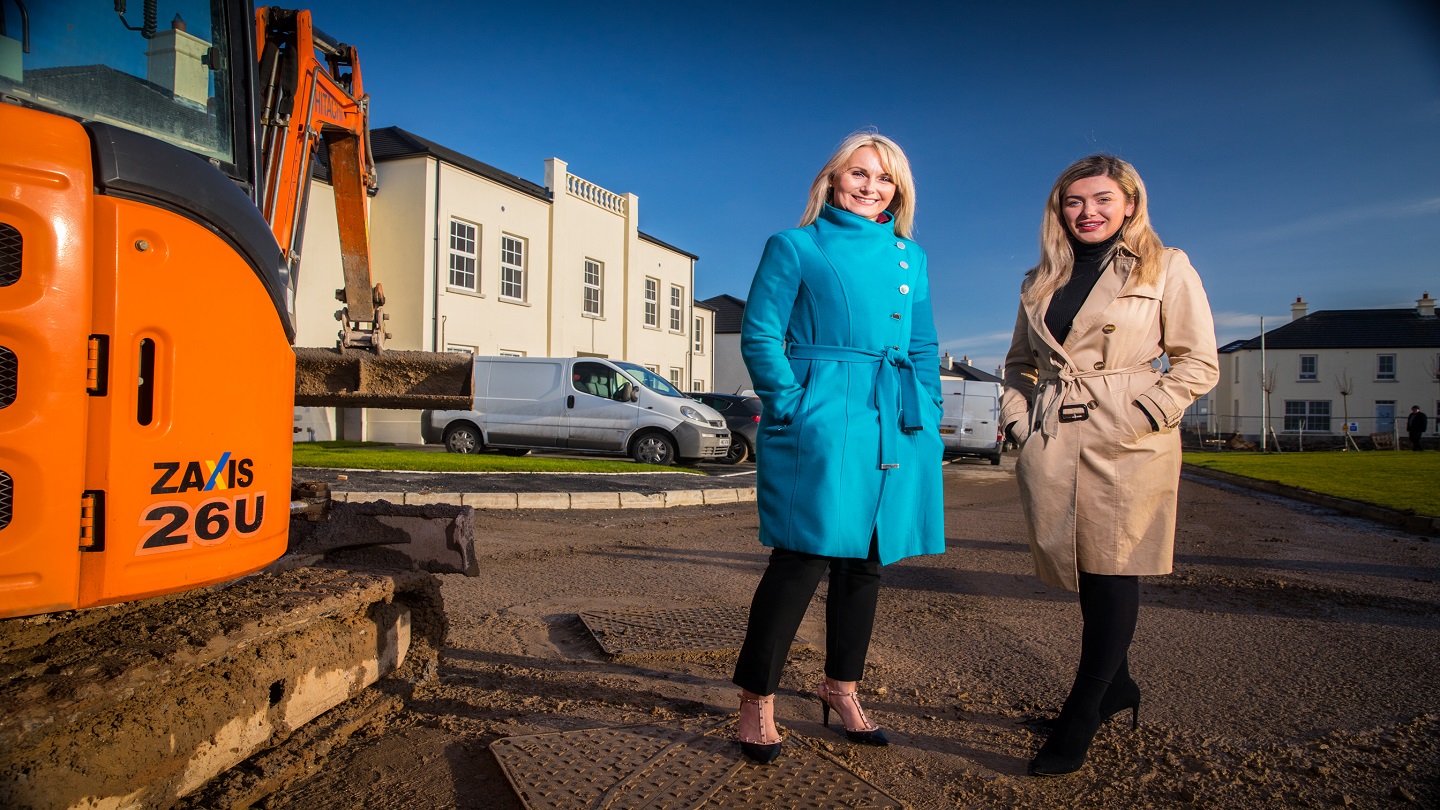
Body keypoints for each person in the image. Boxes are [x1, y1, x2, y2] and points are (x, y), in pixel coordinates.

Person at [1000, 154, 1218, 776]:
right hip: (1054, 433)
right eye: (1074, 202)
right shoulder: (1039, 279)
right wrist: (1019, 424)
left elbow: (1198, 361)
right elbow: (1018, 364)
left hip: (1126, 432)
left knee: (1116, 566)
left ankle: (1082, 711)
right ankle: (1116, 687)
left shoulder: (1165, 265)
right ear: (1059, 210)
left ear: (1130, 204)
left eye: (1102, 200)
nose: (1087, 212)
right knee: (1086, 568)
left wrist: (1141, 415)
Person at [732, 132, 945, 764]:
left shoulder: (910, 256)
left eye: (885, 179)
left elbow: (924, 345)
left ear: (898, 191)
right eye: (859, 173)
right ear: (832, 178)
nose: (871, 187)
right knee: (801, 558)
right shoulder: (795, 245)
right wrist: (792, 404)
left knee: (867, 562)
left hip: (894, 415)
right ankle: (756, 699)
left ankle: (841, 688)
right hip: (823, 412)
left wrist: (929, 409)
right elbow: (760, 332)